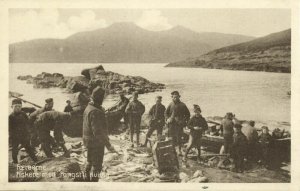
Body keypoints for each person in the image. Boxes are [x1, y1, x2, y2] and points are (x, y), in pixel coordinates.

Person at [83, 86, 115, 182]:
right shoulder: (95, 112)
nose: (103, 99)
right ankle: (93, 183)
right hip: (96, 143)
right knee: (97, 166)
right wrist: (109, 145)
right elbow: (98, 132)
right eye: (103, 97)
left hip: (88, 141)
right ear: (99, 98)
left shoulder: (89, 107)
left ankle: (86, 180)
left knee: (89, 161)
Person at [9, 99, 37, 164]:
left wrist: (29, 133)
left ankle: (35, 160)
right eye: (16, 106)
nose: (18, 108)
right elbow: (10, 129)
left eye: (19, 106)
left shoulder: (23, 114)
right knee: (15, 150)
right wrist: (11, 138)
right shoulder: (10, 117)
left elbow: (28, 123)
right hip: (15, 137)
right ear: (12, 107)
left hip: (24, 135)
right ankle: (15, 163)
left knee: (28, 148)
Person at [165, 91, 190, 156]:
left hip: (179, 124)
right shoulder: (170, 104)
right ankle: (172, 150)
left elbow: (187, 115)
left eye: (176, 97)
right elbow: (166, 113)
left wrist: (184, 121)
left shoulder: (183, 105)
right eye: (174, 97)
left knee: (179, 137)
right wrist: (168, 118)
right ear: (172, 97)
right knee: (172, 137)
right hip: (171, 124)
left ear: (179, 97)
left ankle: (179, 150)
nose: (175, 98)